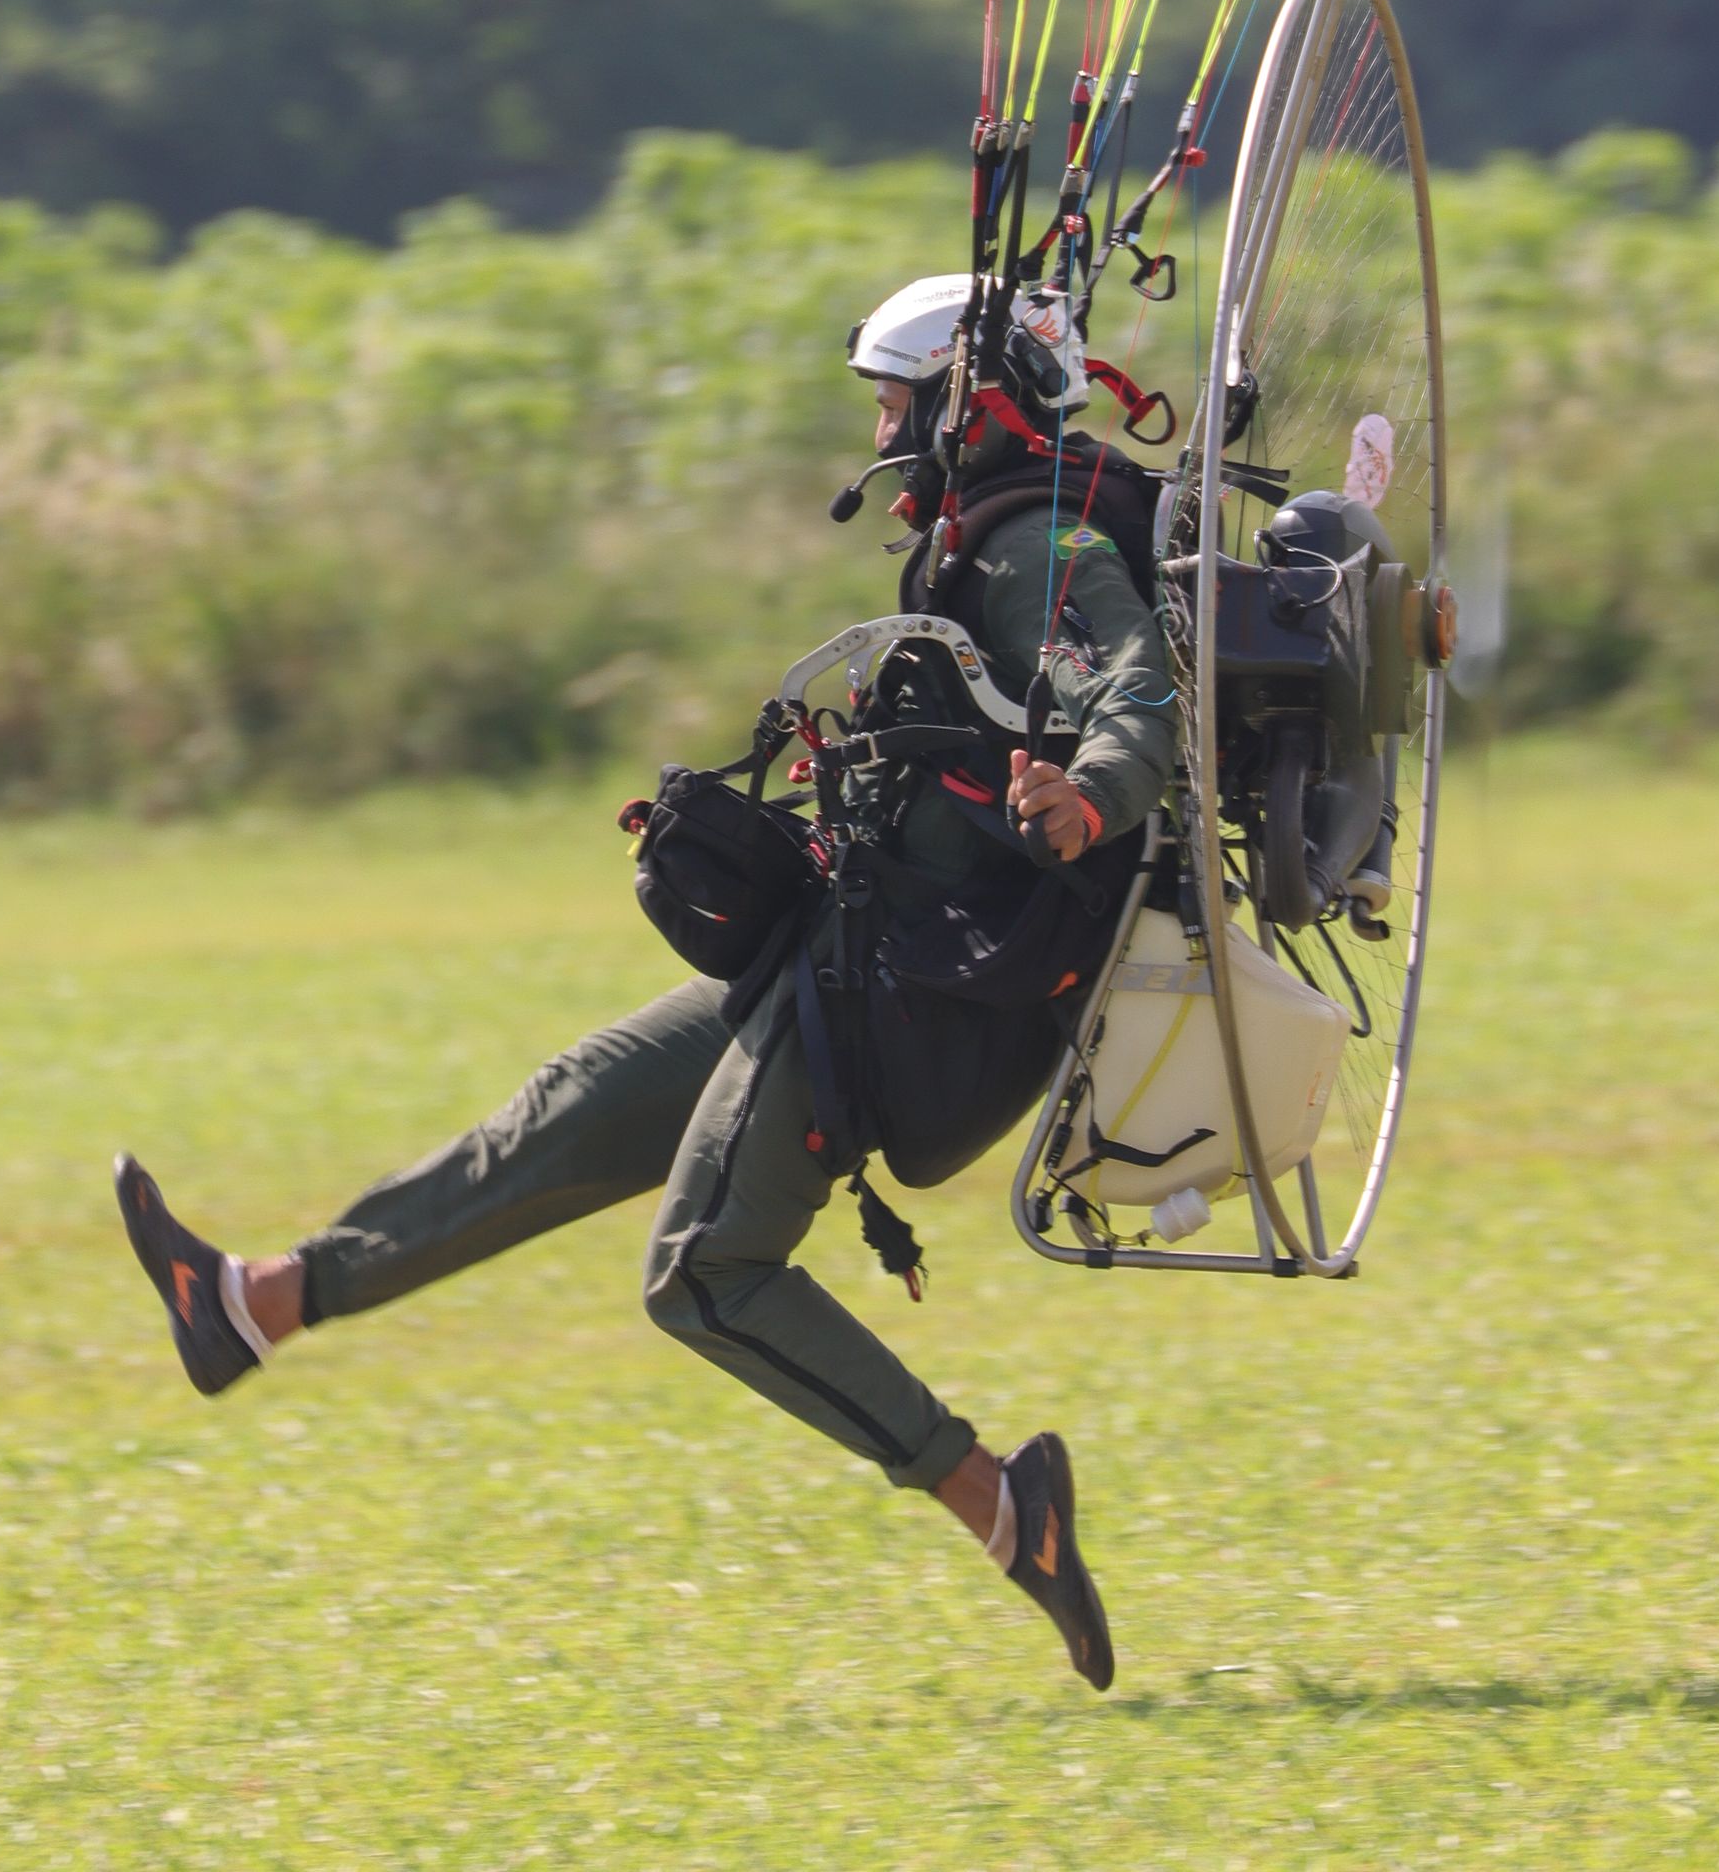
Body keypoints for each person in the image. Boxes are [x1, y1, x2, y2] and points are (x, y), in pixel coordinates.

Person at [114, 275, 1176, 1692]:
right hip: (844, 956)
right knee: (565, 1111)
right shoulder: (979, 543)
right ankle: (252, 1303)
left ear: (962, 402)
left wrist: (1090, 798)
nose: (876, 423)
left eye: (893, 398)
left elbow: (1136, 682)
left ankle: (1002, 1509)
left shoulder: (1040, 542)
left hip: (911, 1004)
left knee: (705, 1276)